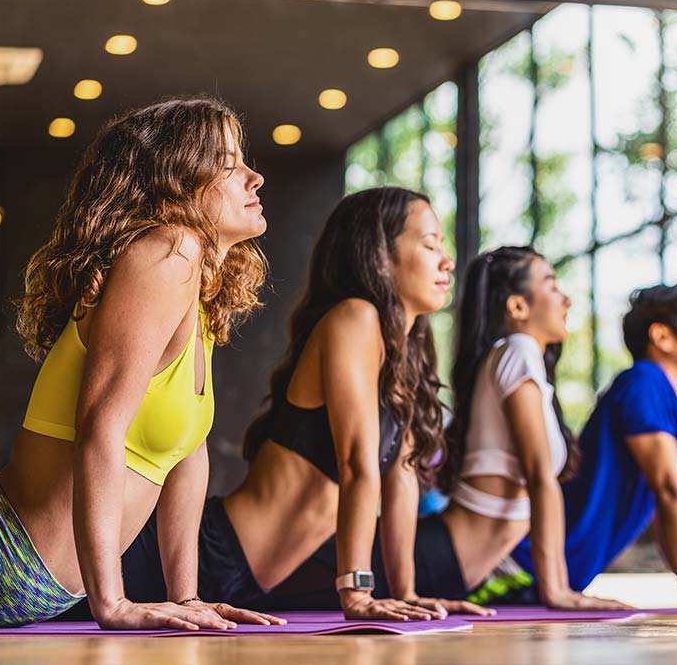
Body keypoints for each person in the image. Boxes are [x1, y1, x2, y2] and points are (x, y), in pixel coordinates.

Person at [0, 97, 283, 630]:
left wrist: (187, 598)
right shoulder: (170, 252)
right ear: (177, 181)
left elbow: (186, 454)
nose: (253, 177)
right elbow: (101, 427)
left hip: (8, 578)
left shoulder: (199, 293)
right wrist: (110, 604)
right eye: (228, 164)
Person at [120, 187, 483, 620]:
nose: (448, 260)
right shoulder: (354, 317)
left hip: (246, 583)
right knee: (50, 603)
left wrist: (407, 592)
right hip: (202, 554)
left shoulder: (403, 352)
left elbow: (401, 478)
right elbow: (357, 465)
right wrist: (357, 592)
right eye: (429, 244)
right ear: (381, 254)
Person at [260, 246, 628, 611]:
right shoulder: (518, 350)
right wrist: (557, 590)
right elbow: (539, 478)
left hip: (447, 561)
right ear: (517, 307)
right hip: (438, 558)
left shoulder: (513, 357)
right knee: (263, 584)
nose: (565, 298)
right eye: (551, 284)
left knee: (273, 581)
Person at [509, 283, 677, 607]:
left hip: (540, 572)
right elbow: (669, 489)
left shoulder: (660, 392)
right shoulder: (645, 382)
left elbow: (665, 497)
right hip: (512, 569)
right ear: (662, 337)